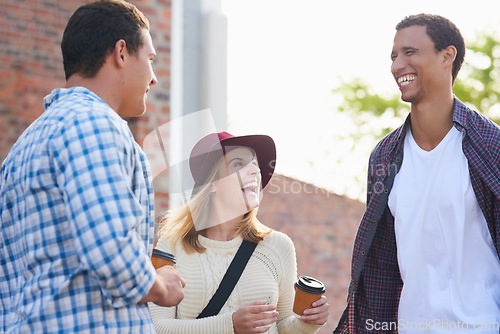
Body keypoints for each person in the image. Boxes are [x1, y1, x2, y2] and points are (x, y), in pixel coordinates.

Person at [0, 0, 185, 332]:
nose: (154, 78)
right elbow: (109, 248)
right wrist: (159, 286)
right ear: (121, 52)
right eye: (151, 59)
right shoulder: (94, 124)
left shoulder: (22, 148)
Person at [335, 13, 500, 334]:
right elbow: (383, 262)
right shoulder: (384, 156)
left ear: (446, 56)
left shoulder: (491, 145)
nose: (397, 65)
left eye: (410, 53)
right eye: (394, 56)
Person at [149, 131, 330, 333]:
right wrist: (230, 325)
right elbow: (157, 327)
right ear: (212, 184)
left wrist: (308, 322)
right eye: (238, 164)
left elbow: (283, 326)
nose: (255, 170)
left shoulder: (279, 246)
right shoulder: (171, 245)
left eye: (255, 164)